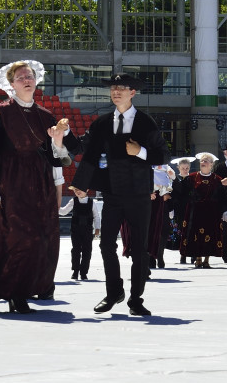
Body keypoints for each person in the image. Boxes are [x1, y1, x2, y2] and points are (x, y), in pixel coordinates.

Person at [0, 61, 71, 314]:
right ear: (11, 84)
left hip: (41, 185)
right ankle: (15, 293)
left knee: (40, 239)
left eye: (30, 76)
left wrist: (58, 142)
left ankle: (33, 286)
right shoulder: (1, 112)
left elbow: (54, 156)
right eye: (21, 77)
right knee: (15, 239)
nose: (27, 80)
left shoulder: (46, 115)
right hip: (11, 182)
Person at [71, 73, 170, 316]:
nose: (116, 91)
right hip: (112, 193)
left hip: (139, 195)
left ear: (133, 92)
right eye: (114, 88)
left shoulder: (146, 122)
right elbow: (86, 150)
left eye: (122, 88)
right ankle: (113, 292)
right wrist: (62, 137)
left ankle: (136, 299)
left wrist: (140, 151)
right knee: (106, 245)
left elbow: (163, 156)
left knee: (139, 249)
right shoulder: (102, 123)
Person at [182, 152, 227, 269]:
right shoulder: (192, 177)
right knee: (196, 234)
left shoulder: (217, 179)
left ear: (211, 164)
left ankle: (206, 260)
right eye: (202, 161)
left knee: (211, 234)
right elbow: (183, 193)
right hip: (195, 212)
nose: (203, 162)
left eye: (206, 161)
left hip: (212, 212)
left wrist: (225, 211)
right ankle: (198, 259)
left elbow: (223, 197)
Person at [67, 189, 96, 281]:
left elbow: (96, 216)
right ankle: (75, 271)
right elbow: (64, 211)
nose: (77, 192)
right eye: (75, 190)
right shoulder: (73, 201)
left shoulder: (92, 202)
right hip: (75, 230)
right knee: (75, 250)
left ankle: (83, 273)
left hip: (88, 230)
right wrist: (56, 206)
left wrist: (98, 228)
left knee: (87, 251)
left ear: (87, 190)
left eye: (80, 189)